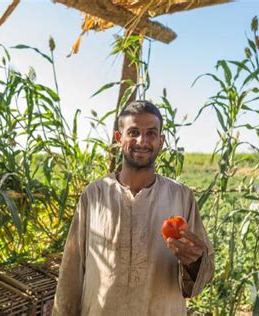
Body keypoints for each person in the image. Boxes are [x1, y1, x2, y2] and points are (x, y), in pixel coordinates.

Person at [52, 100, 214, 315]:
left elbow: (204, 268)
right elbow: (71, 270)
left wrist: (193, 261)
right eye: (134, 132)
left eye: (151, 133)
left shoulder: (181, 196)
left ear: (161, 140)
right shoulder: (95, 195)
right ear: (119, 138)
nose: (142, 141)